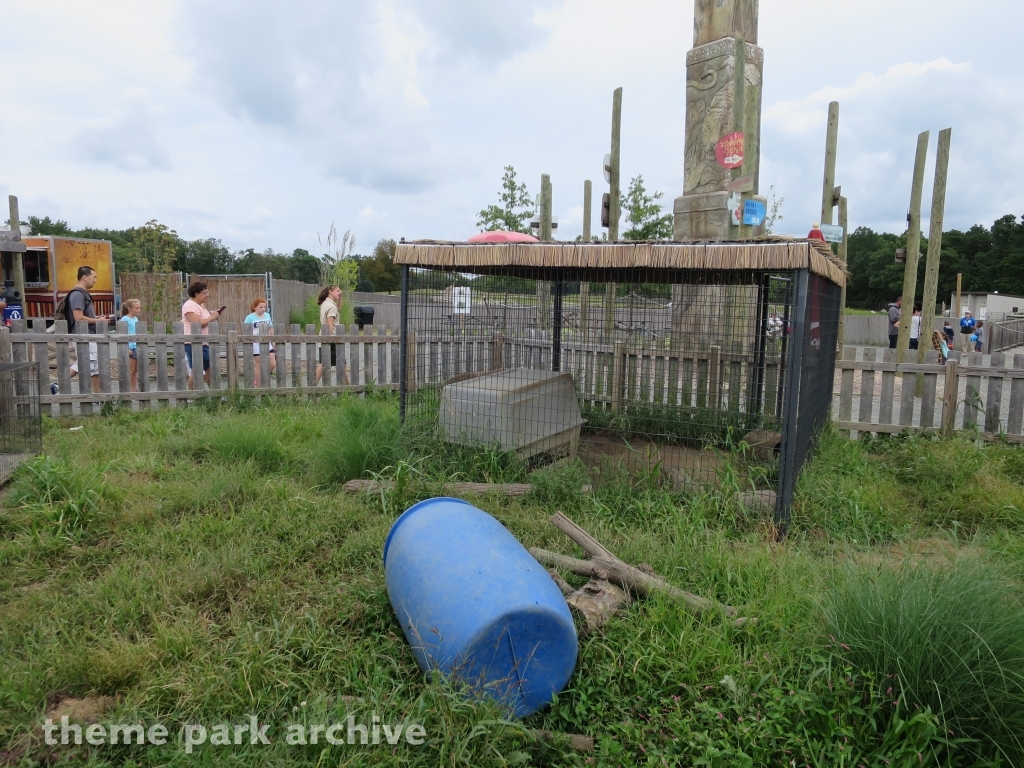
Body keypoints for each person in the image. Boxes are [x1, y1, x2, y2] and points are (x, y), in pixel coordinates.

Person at [66, 266, 112, 394]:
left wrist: (96, 318)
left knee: (95, 366)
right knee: (89, 361)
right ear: (85, 277)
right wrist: (98, 321)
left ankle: (97, 396)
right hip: (82, 334)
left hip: (89, 334)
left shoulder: (84, 293)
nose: (95, 280)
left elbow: (85, 316)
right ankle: (58, 384)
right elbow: (78, 317)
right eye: (94, 277)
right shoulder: (77, 294)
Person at [182, 282, 224, 390]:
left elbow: (202, 317)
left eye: (207, 292)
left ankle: (212, 392)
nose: (207, 294)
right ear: (196, 294)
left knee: (209, 367)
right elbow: (197, 324)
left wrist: (211, 314)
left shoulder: (200, 306)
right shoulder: (190, 306)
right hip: (193, 342)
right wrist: (212, 317)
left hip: (203, 342)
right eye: (204, 292)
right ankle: (192, 396)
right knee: (197, 370)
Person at [315, 285, 350, 385]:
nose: (340, 292)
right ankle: (350, 388)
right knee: (341, 365)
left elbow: (338, 308)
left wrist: (340, 297)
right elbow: (329, 325)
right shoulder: (331, 306)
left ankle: (350, 387)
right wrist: (329, 340)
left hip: (325, 339)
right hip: (332, 340)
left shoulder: (326, 303)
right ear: (330, 291)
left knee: (324, 364)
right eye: (338, 291)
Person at [244, 298, 276, 386]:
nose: (263, 309)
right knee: (259, 364)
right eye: (260, 307)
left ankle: (263, 376)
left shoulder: (267, 315)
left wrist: (273, 340)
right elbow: (246, 330)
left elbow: (270, 328)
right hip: (255, 343)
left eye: (264, 307)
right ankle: (258, 385)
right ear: (255, 307)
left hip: (267, 341)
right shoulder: (249, 317)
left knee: (272, 363)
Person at [120, 299, 141, 392]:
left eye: (139, 308)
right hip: (130, 346)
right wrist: (127, 347)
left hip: (137, 346)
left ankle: (133, 389)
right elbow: (122, 334)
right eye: (136, 308)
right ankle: (126, 389)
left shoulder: (135, 319)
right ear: (129, 308)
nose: (139, 310)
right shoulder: (124, 319)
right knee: (130, 370)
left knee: (135, 370)